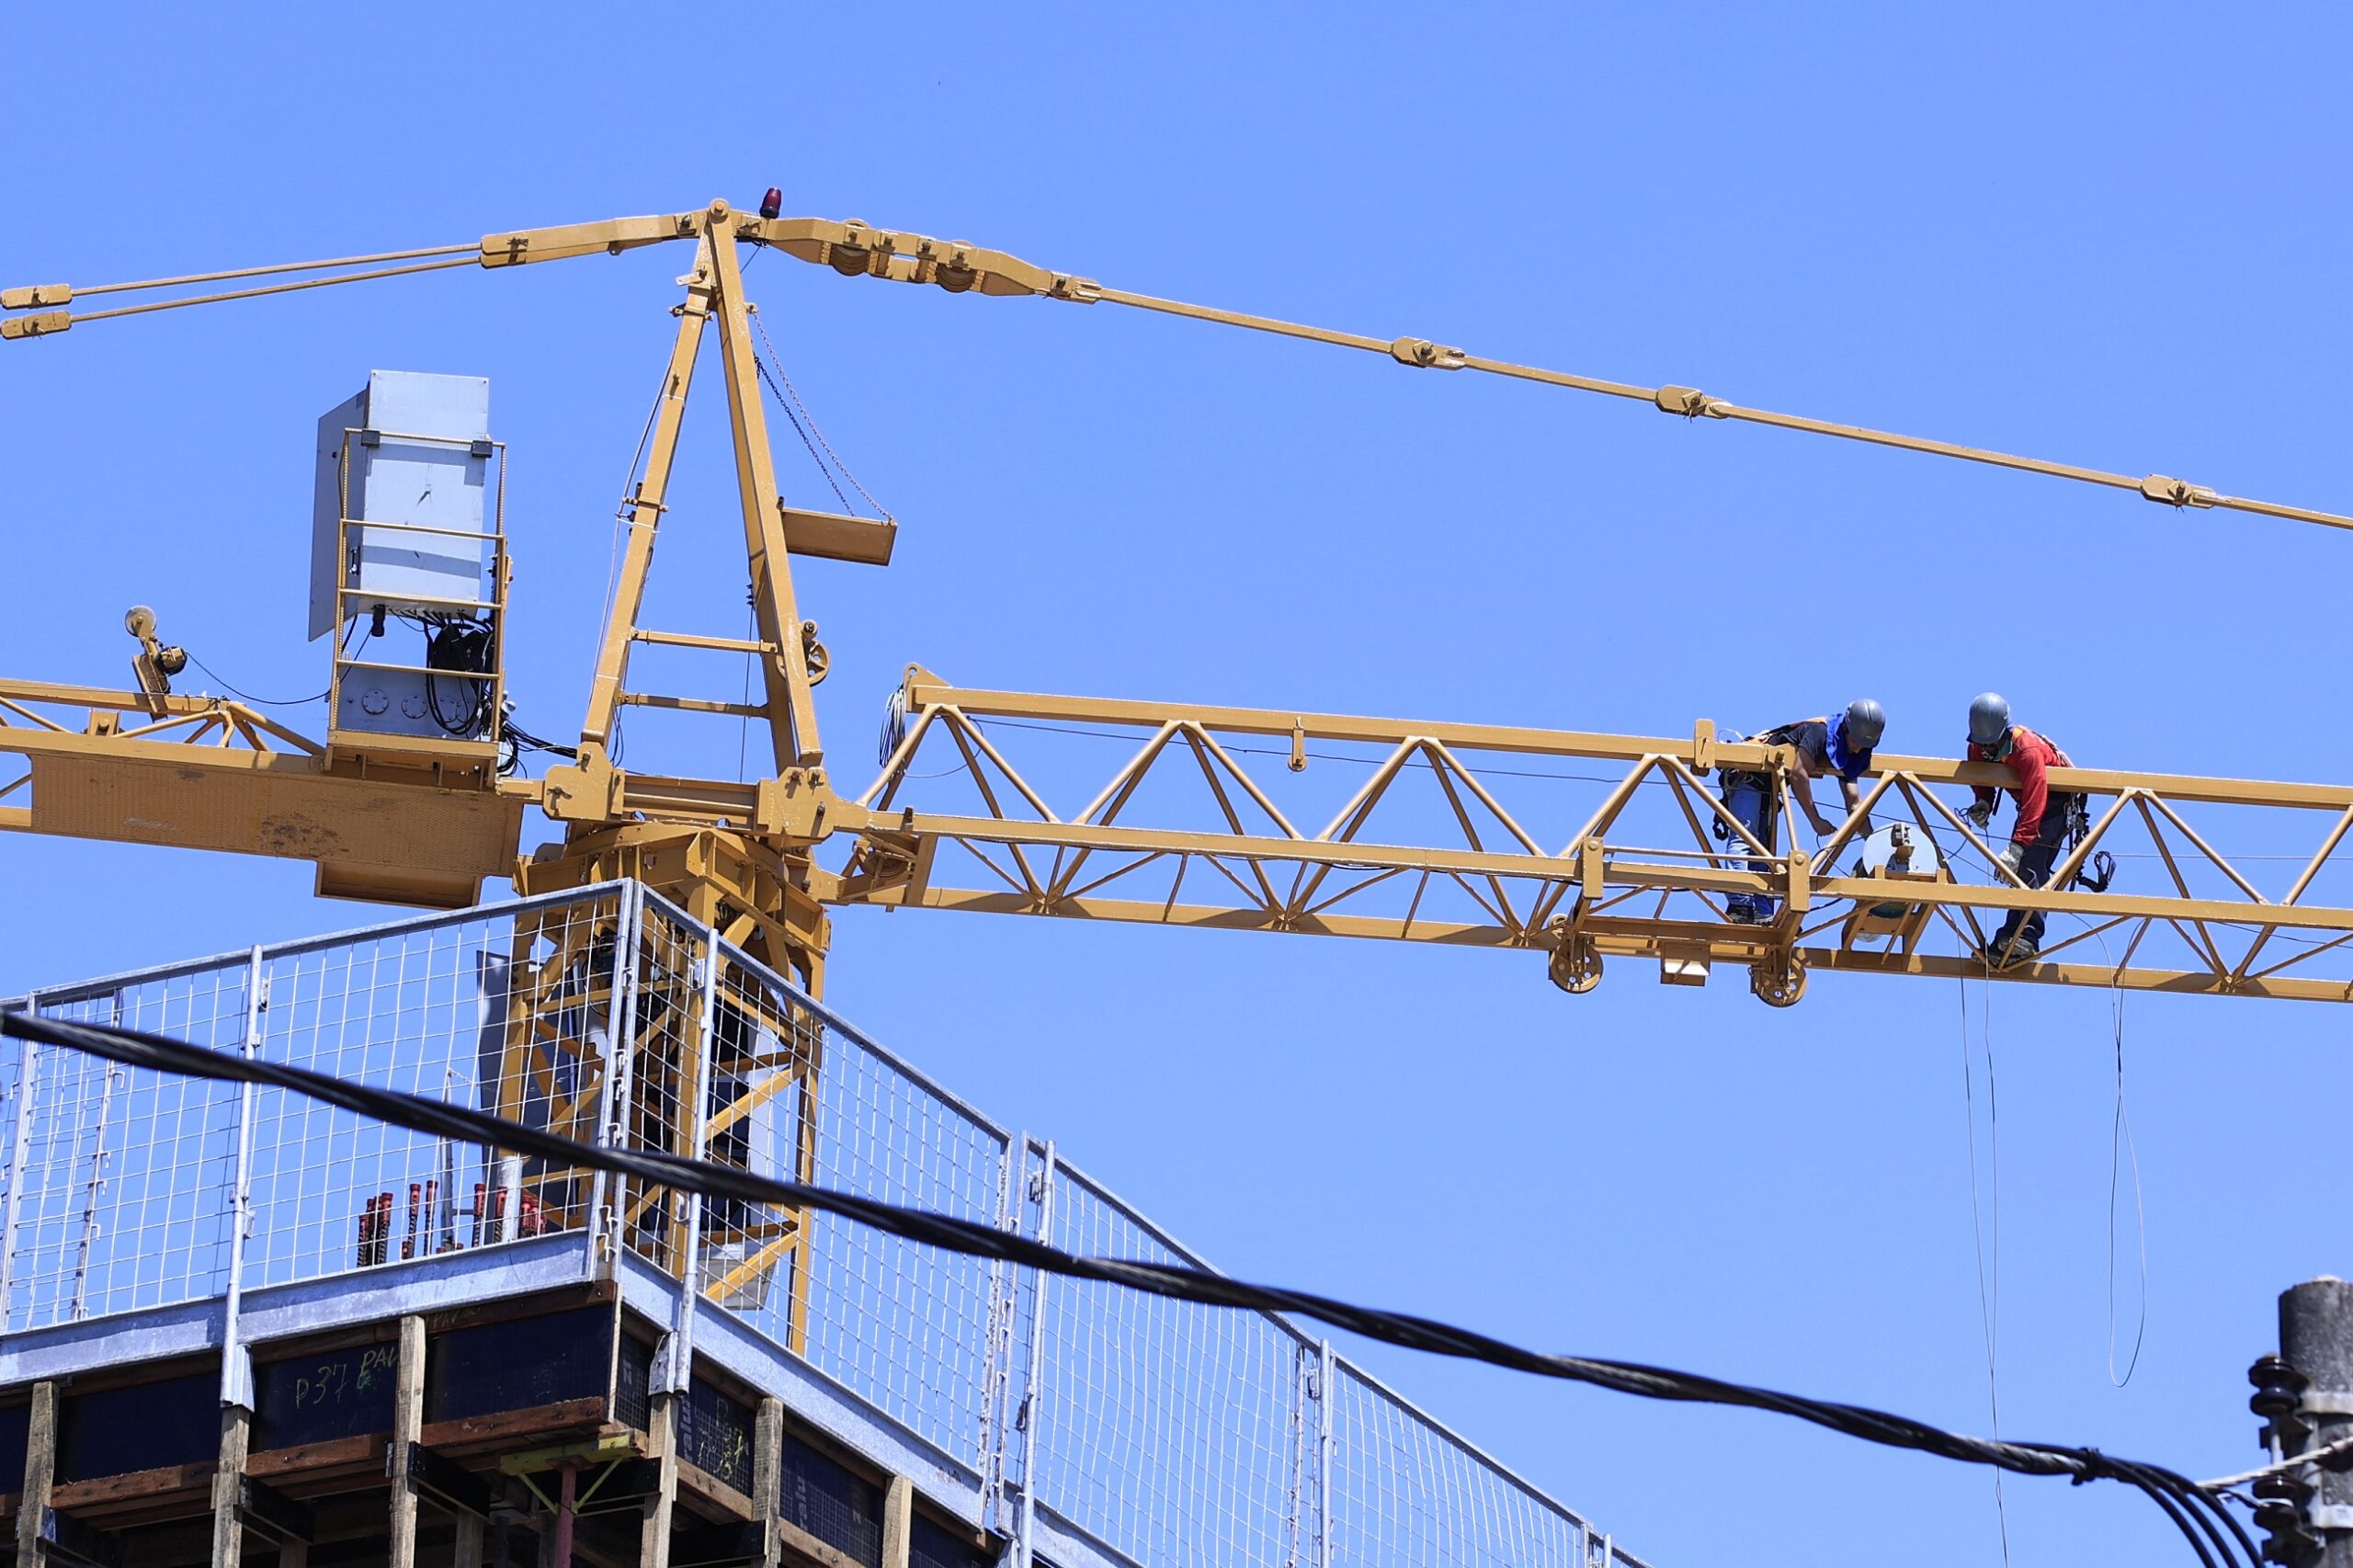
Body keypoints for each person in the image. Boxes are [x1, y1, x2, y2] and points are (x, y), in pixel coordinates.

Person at [1721, 699, 1885, 925]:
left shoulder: (1853, 751)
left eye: (1863, 746)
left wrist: (1876, 846)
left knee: (1764, 849)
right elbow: (1799, 775)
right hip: (1747, 776)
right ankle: (1740, 904)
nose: (1858, 748)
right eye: (1855, 742)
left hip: (1769, 786)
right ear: (1846, 729)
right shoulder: (1820, 733)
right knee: (1745, 837)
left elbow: (1854, 802)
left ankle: (1762, 913)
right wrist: (1815, 820)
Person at [1960, 691, 2085, 968]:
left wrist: (2017, 846)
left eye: (1992, 744)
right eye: (1984, 745)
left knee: (2031, 864)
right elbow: (1980, 773)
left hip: (2055, 802)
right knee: (2022, 869)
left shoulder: (2026, 749)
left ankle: (2026, 936)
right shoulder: (1977, 747)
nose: (1988, 750)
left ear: (2003, 732)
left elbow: (2036, 799)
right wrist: (1983, 800)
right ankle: (2009, 938)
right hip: (2030, 804)